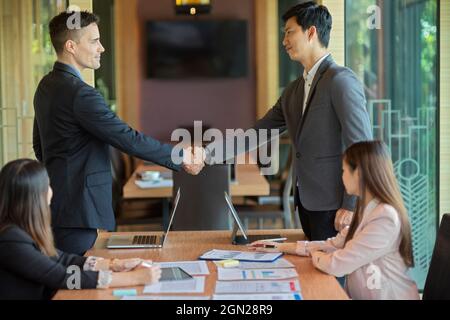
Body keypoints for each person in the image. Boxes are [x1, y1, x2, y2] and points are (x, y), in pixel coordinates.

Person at [33, 11, 204, 255]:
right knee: (79, 283)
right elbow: (127, 138)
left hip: (57, 204)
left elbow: (40, 146)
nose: (101, 48)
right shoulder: (81, 94)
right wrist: (182, 156)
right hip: (80, 210)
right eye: (93, 41)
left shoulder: (46, 87)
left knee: (68, 276)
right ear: (71, 46)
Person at [206, 2, 373, 241]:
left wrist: (351, 203)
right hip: (305, 205)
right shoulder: (293, 91)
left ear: (311, 32)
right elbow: (257, 133)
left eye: (289, 32)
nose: (284, 41)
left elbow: (362, 146)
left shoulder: (340, 81)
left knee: (332, 278)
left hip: (336, 208)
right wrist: (207, 155)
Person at [250, 141, 420, 300]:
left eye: (344, 171)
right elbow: (334, 245)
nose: (341, 176)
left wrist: (316, 255)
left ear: (358, 173)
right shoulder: (367, 209)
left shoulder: (385, 218)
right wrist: (279, 247)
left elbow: (338, 265)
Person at [0, 159, 162, 300]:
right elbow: (64, 277)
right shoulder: (11, 240)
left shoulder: (20, 229)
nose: (51, 191)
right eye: (48, 185)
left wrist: (116, 264)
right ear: (35, 197)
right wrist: (133, 278)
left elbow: (63, 260)